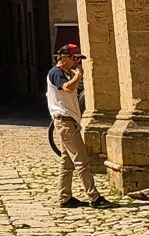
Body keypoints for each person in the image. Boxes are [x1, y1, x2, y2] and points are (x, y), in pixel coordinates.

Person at [48, 44, 111, 209]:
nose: (76, 62)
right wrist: (79, 76)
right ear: (64, 57)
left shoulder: (65, 73)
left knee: (67, 163)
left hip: (69, 122)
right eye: (74, 58)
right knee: (81, 161)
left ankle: (64, 197)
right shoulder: (56, 73)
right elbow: (67, 88)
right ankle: (94, 197)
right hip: (65, 122)